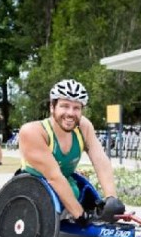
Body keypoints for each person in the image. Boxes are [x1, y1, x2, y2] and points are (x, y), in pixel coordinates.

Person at [18, 79, 125, 225]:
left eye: (76, 108)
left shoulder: (83, 126)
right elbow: (54, 177)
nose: (70, 113)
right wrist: (81, 215)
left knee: (79, 192)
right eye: (64, 106)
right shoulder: (33, 131)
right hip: (34, 193)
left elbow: (100, 159)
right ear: (52, 107)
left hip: (67, 185)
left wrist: (111, 198)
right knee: (68, 198)